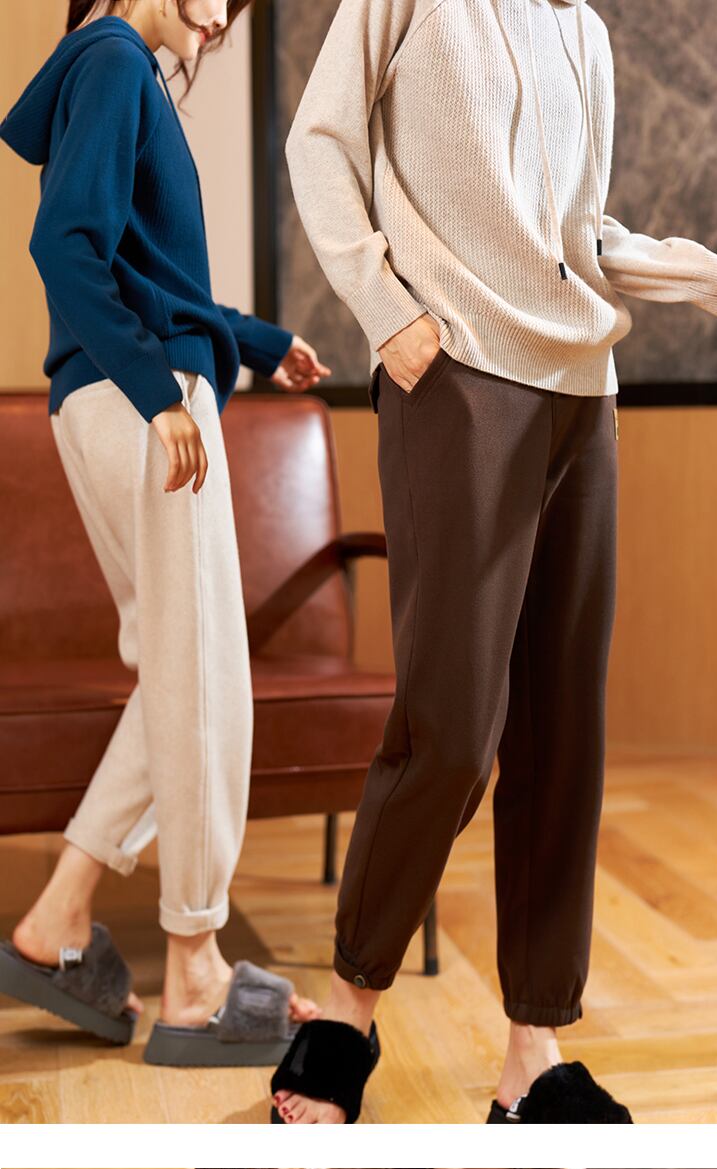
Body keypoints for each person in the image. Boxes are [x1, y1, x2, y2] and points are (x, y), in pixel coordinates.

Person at [270, 0, 717, 1123]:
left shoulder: (582, 29)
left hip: (583, 394)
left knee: (563, 729)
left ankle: (533, 1050)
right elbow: (319, 142)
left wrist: (712, 274)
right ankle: (348, 1008)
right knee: (451, 724)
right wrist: (386, 311)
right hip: (458, 381)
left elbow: (583, 236)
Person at [0, 0, 330, 1066]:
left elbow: (146, 279)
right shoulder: (111, 60)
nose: (222, 16)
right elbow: (65, 244)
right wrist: (160, 393)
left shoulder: (112, 69)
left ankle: (57, 921)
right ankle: (195, 970)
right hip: (140, 402)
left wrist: (258, 340)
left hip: (114, 397)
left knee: (176, 674)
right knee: (204, 679)